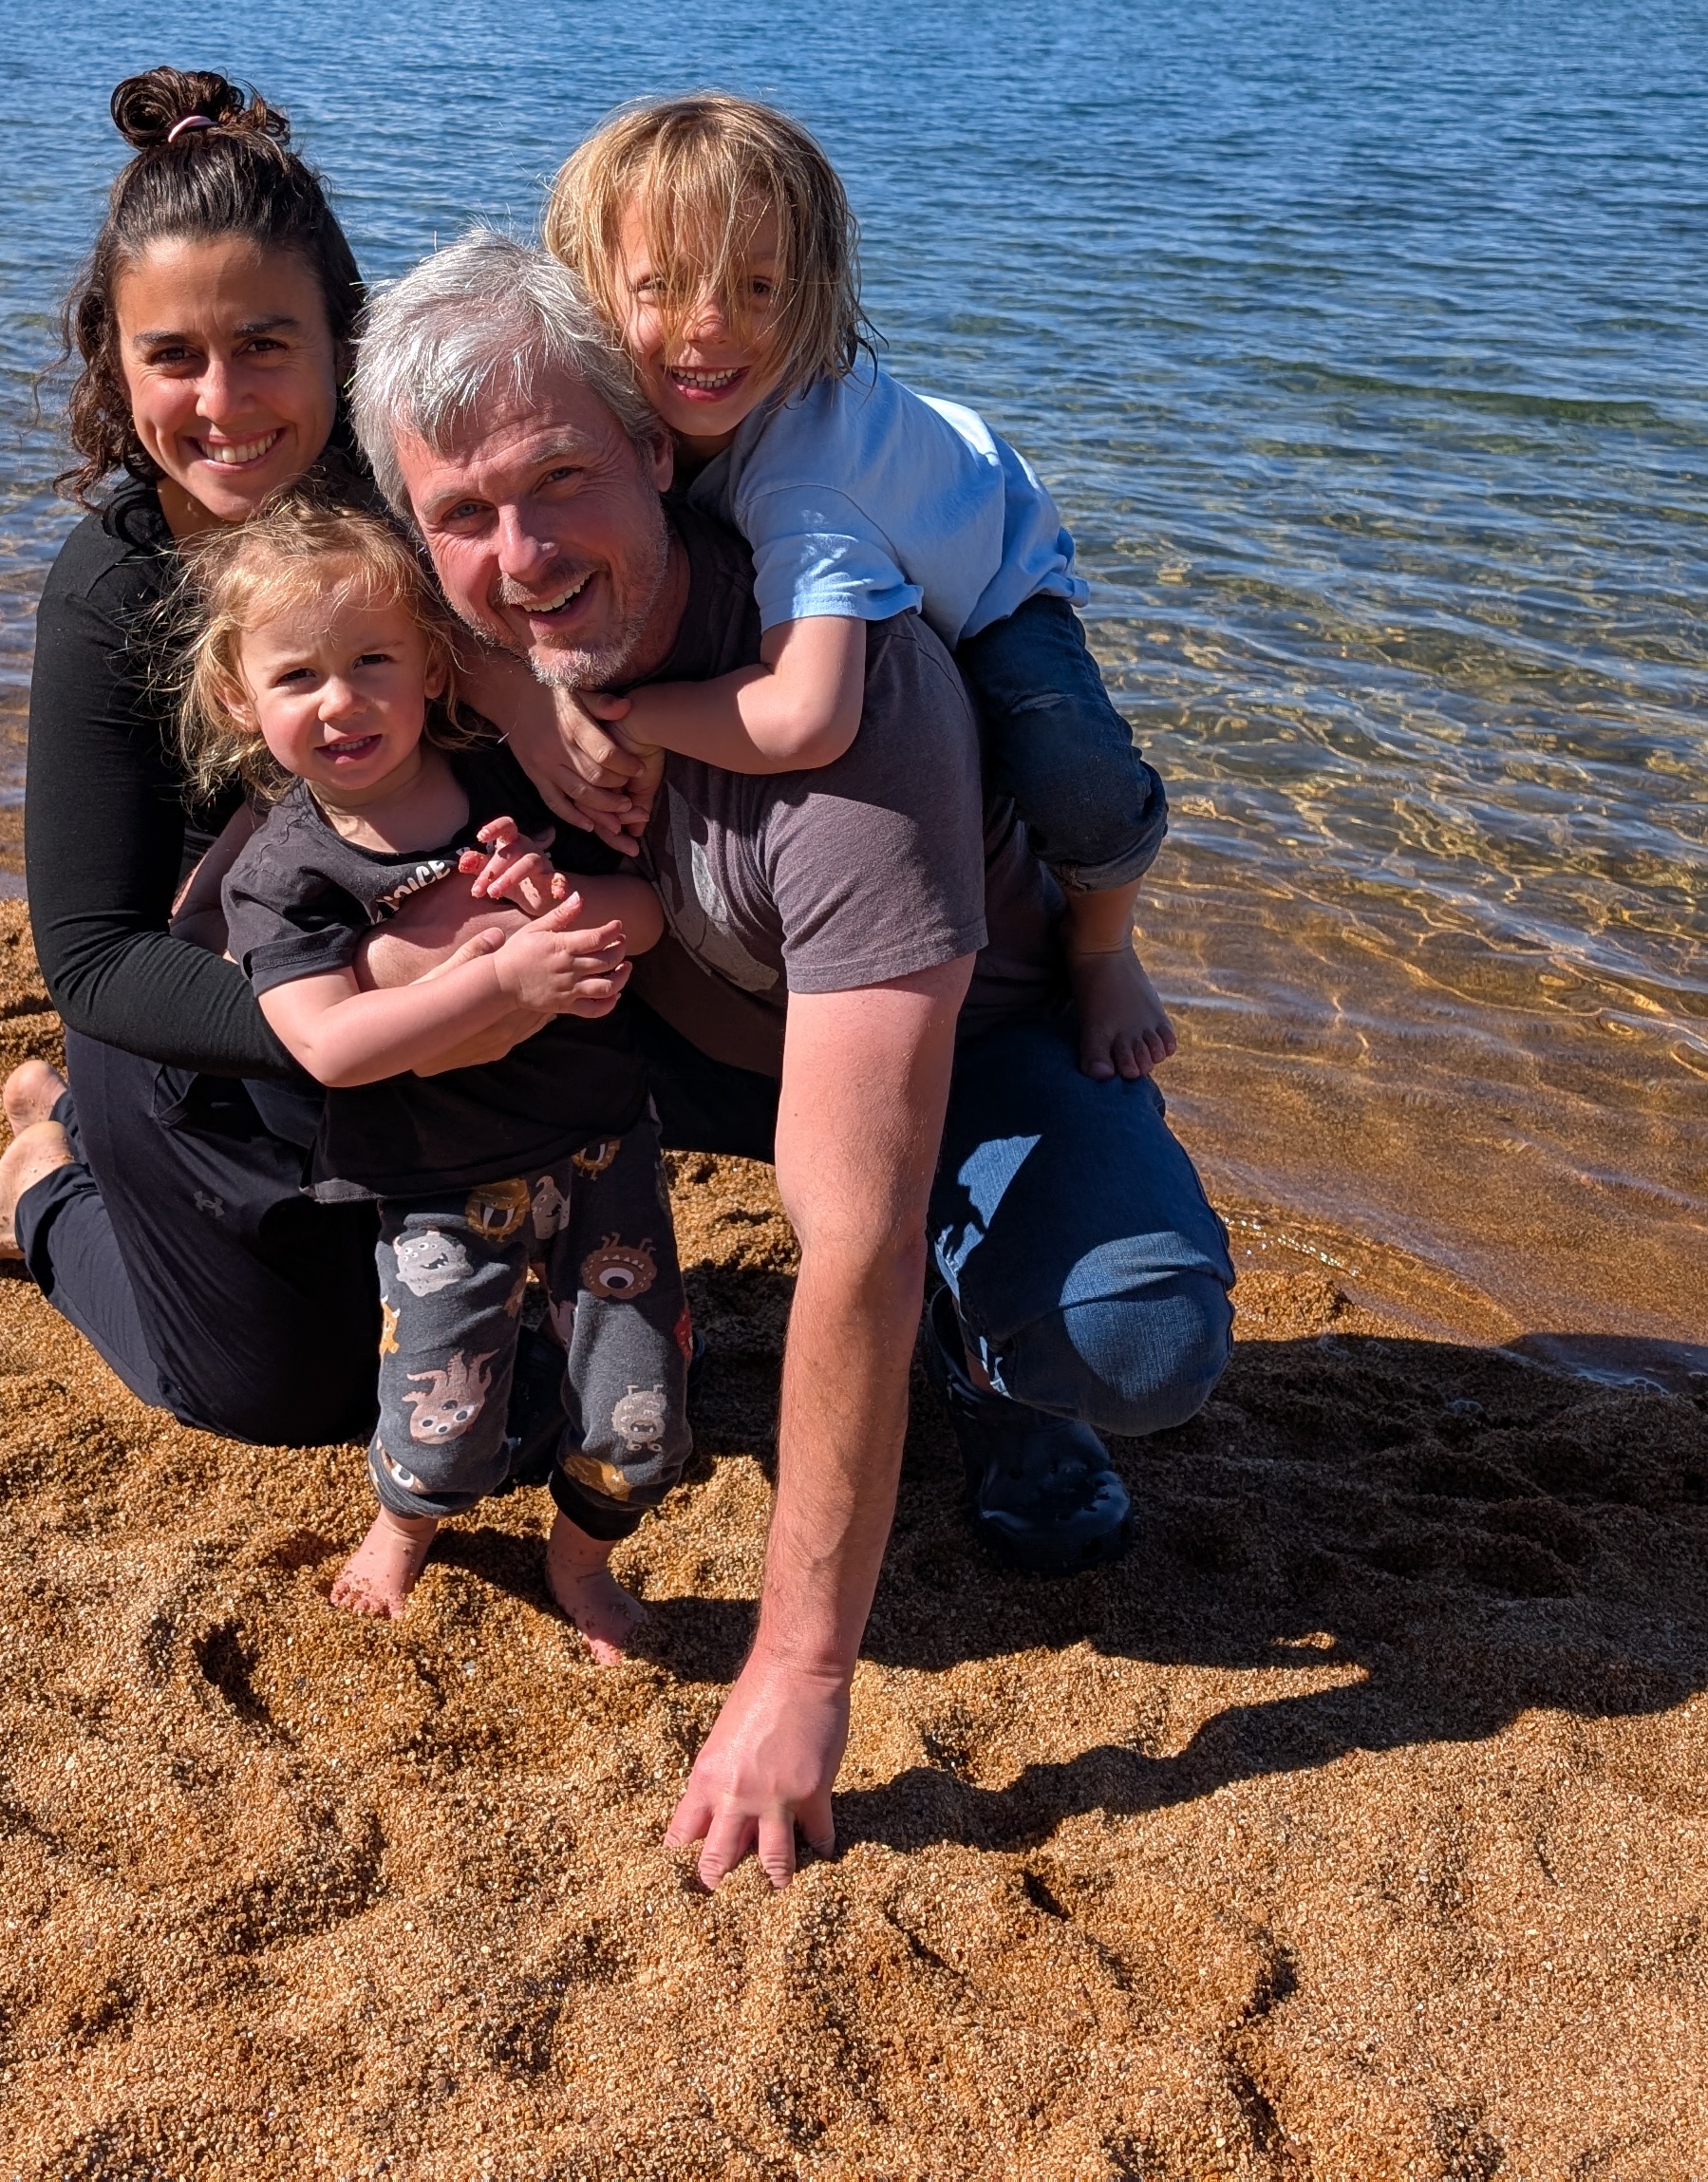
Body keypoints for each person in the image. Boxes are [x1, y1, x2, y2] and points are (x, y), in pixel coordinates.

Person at [347, 231, 1238, 1892]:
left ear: (655, 447)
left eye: (561, 482)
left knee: (1130, 1332)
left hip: (960, 1043)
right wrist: (534, 704)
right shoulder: (498, 627)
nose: (523, 553)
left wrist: (797, 1672)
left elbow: (850, 1235)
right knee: (319, 1033)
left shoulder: (843, 675)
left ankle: (985, 1367)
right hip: (702, 1025)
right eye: (463, 517)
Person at [0, 67, 543, 1447]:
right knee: (281, 1398)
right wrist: (348, 1009)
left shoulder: (422, 524)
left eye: (266, 344)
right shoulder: (116, 587)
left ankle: (69, 1119)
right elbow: (90, 954)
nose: (223, 401)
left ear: (344, 340)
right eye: (173, 357)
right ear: (114, 362)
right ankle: (45, 1181)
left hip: (440, 996)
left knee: (530, 1373)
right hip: (214, 1023)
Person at [531, 94, 1176, 1085]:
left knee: (1067, 772)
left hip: (989, 548)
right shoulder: (621, 407)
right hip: (897, 473)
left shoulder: (806, 483)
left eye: (758, 287)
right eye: (663, 286)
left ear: (817, 286)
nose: (713, 328)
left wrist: (632, 715)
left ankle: (1101, 949)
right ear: (589, 282)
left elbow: (807, 721)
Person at [178, 497, 686, 1663]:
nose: (342, 701)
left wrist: (556, 912)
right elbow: (333, 1046)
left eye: (372, 663)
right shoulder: (283, 874)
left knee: (637, 1400)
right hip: (437, 1181)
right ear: (237, 701)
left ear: (433, 670)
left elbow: (646, 911)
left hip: (603, 1137)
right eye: (298, 675)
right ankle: (404, 1528)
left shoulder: (505, 782)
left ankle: (580, 1557)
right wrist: (501, 982)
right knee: (442, 1408)